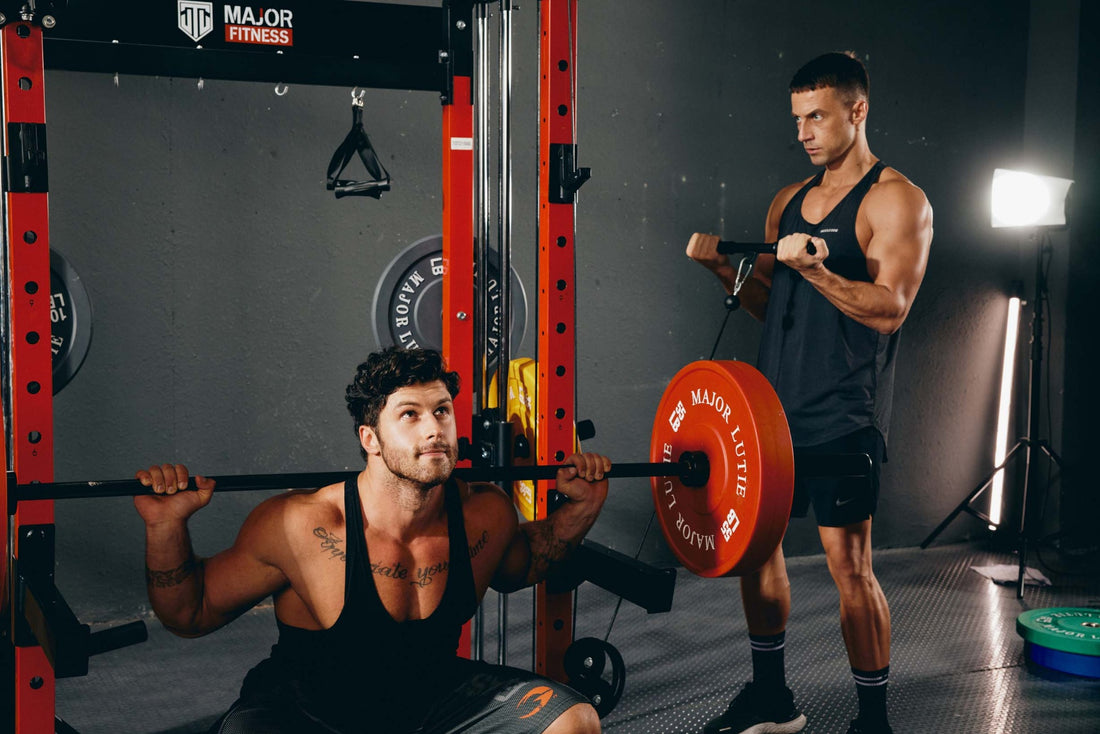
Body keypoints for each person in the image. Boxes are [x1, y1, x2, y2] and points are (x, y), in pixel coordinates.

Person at [134, 347, 610, 734]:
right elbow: (189, 613)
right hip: (306, 713)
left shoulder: (485, 513)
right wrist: (165, 527)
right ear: (371, 438)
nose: (433, 429)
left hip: (430, 701)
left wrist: (582, 507)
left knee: (574, 720)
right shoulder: (299, 525)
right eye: (410, 414)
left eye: (442, 411)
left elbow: (527, 563)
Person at [686, 52, 933, 734]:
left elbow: (890, 309)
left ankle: (872, 722)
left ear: (857, 111)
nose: (804, 131)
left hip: (843, 413)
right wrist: (720, 269)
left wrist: (818, 270)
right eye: (798, 119)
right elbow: (777, 306)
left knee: (849, 565)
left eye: (817, 116)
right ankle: (772, 700)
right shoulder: (787, 201)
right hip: (770, 413)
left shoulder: (896, 199)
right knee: (756, 548)